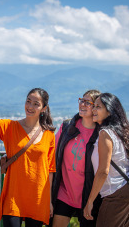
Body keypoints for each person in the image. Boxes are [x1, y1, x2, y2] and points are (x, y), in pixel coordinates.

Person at [0, 86, 56, 227]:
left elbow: (50, 170)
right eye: (28, 101)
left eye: (36, 104)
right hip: (14, 194)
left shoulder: (49, 135)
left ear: (44, 109)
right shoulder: (11, 127)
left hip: (38, 196)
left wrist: (49, 201)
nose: (30, 106)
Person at [83, 93, 129, 227]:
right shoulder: (118, 131)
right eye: (94, 106)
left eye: (98, 107)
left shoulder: (105, 133)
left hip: (116, 193)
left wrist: (90, 201)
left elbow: (103, 171)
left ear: (109, 111)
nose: (94, 110)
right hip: (126, 190)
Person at [50, 89, 102, 227]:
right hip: (64, 191)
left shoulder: (101, 134)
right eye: (81, 101)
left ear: (96, 107)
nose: (82, 104)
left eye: (88, 102)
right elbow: (49, 150)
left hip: (88, 196)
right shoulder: (68, 127)